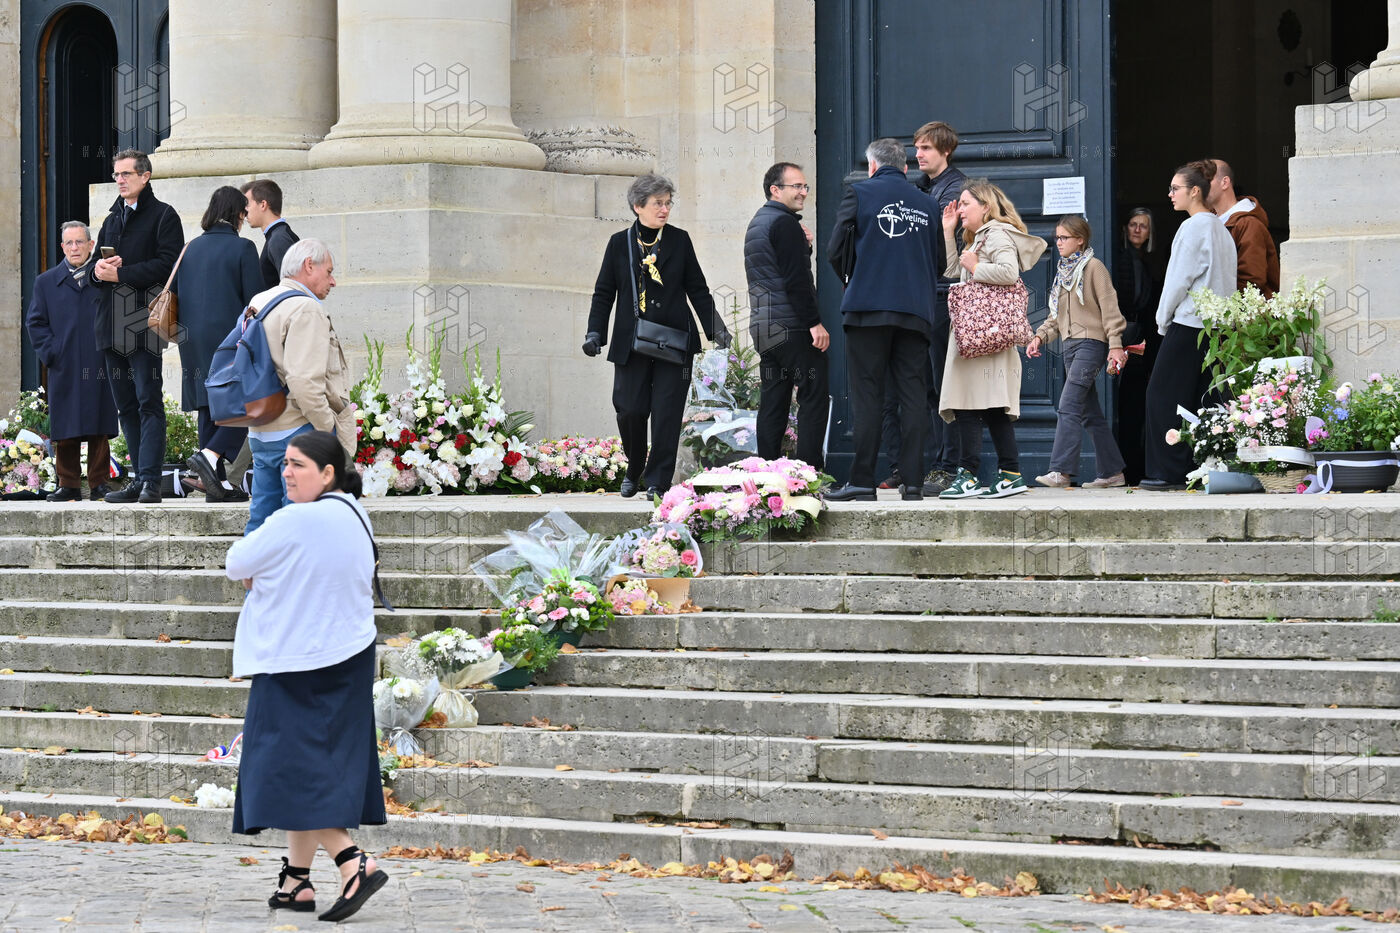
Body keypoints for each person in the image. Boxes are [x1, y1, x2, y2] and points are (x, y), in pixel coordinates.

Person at [225, 430, 388, 923]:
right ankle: (296, 881)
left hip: (296, 661)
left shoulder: (294, 518)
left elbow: (236, 562)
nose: (287, 473)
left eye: (298, 465)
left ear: (328, 473)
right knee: (318, 766)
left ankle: (352, 861)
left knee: (289, 767)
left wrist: (260, 571)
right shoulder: (355, 513)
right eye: (285, 463)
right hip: (348, 655)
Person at [583, 173, 731, 499]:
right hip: (631, 342)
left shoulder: (679, 240)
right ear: (638, 206)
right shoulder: (619, 243)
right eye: (658, 204)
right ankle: (635, 465)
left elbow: (698, 289)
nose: (665, 209)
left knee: (666, 413)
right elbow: (604, 292)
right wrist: (595, 332)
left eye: (668, 203)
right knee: (629, 409)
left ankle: (657, 481)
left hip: (675, 340)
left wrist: (716, 329)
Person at [823, 137, 944, 502]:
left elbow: (835, 250)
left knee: (868, 394)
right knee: (913, 395)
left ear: (872, 165)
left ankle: (862, 481)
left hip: (868, 309)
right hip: (915, 311)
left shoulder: (859, 194)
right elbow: (939, 262)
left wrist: (854, 278)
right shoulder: (928, 203)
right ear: (905, 167)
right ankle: (914, 482)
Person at [937, 178, 1046, 499]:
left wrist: (977, 266)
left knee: (967, 405)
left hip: (984, 336)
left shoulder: (996, 234)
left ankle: (968, 476)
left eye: (966, 203)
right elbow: (952, 271)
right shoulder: (978, 239)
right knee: (991, 407)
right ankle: (1010, 474)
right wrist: (948, 232)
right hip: (981, 336)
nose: (960, 209)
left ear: (986, 207)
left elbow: (1009, 273)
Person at [244, 238, 356, 533]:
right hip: (296, 430)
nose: (333, 281)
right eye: (329, 271)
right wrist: (327, 429)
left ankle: (252, 564)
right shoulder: (306, 308)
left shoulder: (259, 300)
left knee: (262, 522)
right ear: (309, 265)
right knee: (300, 523)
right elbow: (304, 381)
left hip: (261, 429)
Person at [92, 149, 185, 504]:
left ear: (145, 176)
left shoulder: (164, 216)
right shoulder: (111, 218)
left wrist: (122, 274)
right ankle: (136, 480)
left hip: (143, 324)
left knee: (148, 402)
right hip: (110, 324)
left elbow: (168, 266)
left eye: (126, 174)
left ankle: (151, 482)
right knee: (126, 407)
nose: (119, 180)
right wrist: (98, 271)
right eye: (116, 174)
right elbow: (95, 271)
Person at [1141, 160, 1237, 490]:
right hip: (1218, 328)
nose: (1169, 194)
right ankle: (1201, 468)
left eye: (1175, 188)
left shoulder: (1194, 227)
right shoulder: (1221, 229)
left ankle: (1166, 472)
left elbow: (1178, 280)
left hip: (1189, 324)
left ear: (1195, 191)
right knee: (1205, 398)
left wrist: (1162, 319)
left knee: (1161, 395)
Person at [1027, 215, 1128, 488]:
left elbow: (1110, 309)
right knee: (1088, 412)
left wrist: (1115, 344)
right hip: (1070, 347)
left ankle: (1061, 471)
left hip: (1091, 346)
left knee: (1069, 405)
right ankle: (1113, 472)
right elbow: (1055, 317)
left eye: (1064, 237)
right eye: (1057, 237)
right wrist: (1039, 336)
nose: (1058, 242)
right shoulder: (1063, 272)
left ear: (1080, 240)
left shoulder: (1094, 268)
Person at [175, 186, 263, 503]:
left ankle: (216, 484)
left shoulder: (189, 248)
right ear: (237, 213)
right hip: (229, 339)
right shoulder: (243, 248)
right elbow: (256, 302)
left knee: (207, 404)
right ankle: (210, 456)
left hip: (191, 338)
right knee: (245, 403)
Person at [744, 161, 829, 469]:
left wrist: (803, 247)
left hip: (766, 329)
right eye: (797, 186)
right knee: (813, 395)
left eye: (805, 186)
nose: (803, 192)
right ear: (775, 190)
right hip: (793, 327)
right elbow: (796, 281)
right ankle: (808, 471)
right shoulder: (784, 223)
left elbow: (774, 271)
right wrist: (814, 323)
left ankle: (767, 471)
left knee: (773, 401)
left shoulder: (758, 222)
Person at [24, 222, 118, 501]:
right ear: (62, 247)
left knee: (99, 423)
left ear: (91, 245)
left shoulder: (104, 278)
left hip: (99, 361)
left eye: (80, 242)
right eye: (69, 243)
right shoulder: (46, 282)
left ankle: (99, 483)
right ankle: (69, 485)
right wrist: (53, 352)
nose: (75, 248)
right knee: (65, 425)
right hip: (64, 364)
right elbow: (35, 323)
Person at [912, 121, 967, 495]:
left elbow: (932, 233)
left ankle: (950, 466)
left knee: (946, 385)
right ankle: (936, 462)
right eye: (917, 147)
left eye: (927, 148)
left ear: (945, 151)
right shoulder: (923, 187)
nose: (918, 154)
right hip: (923, 294)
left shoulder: (957, 189)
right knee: (928, 386)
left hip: (946, 295)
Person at [1112, 208, 1167, 485]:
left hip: (1137, 342)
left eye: (1143, 226)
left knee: (1132, 404)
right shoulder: (1121, 259)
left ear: (1149, 233)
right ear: (1124, 228)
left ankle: (1130, 467)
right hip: (1122, 339)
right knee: (1125, 404)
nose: (1137, 230)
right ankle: (1123, 467)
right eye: (1133, 224)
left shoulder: (1144, 263)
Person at [1207, 158, 1280, 297]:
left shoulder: (1248, 223)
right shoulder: (1209, 220)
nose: (1199, 186)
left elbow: (1251, 282)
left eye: (1206, 180)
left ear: (1225, 182)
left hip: (1241, 308)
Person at [241, 179, 301, 291]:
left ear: (263, 205)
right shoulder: (278, 235)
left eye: (247, 205)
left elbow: (293, 288)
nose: (244, 212)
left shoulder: (279, 239)